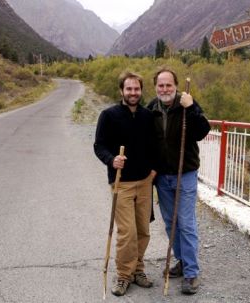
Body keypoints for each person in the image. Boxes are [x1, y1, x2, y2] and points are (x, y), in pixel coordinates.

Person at [147, 68, 210, 295]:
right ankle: (182, 261)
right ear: (155, 86)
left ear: (175, 86)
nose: (165, 89)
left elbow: (203, 130)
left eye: (168, 85)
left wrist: (191, 108)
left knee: (185, 222)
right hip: (162, 177)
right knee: (170, 223)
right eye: (160, 85)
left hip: (186, 173)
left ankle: (192, 273)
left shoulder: (186, 104)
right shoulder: (151, 108)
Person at [94, 71, 156, 296]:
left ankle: (138, 269)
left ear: (141, 90)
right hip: (122, 184)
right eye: (129, 89)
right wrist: (112, 159)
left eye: (136, 89)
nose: (133, 93)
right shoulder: (108, 115)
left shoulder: (148, 116)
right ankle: (123, 275)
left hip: (145, 182)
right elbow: (99, 146)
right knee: (127, 232)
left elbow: (154, 146)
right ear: (121, 90)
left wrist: (154, 169)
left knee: (143, 230)